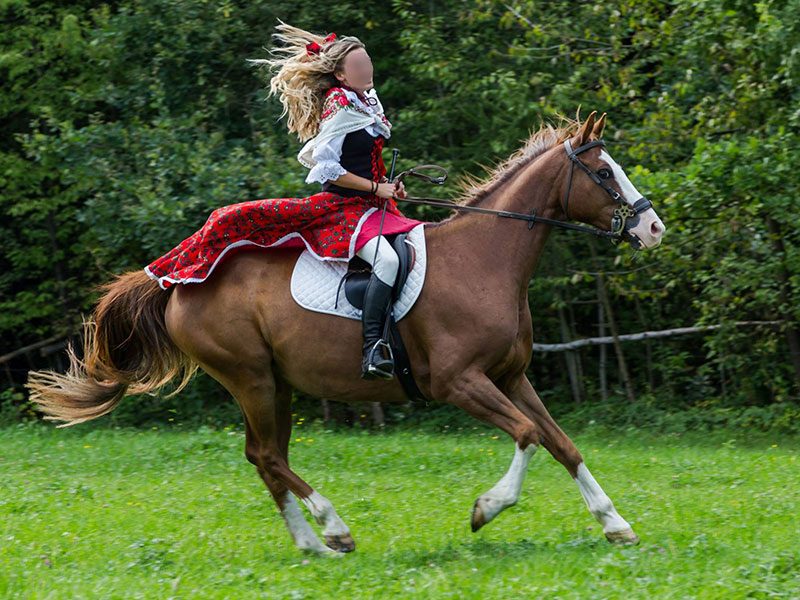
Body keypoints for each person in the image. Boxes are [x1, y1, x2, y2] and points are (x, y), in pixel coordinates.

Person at [144, 20, 423, 381]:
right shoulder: (339, 104)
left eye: (366, 61)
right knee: (385, 261)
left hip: (375, 206)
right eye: (357, 65)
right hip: (344, 211)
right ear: (340, 74)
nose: (366, 69)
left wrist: (387, 185)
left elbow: (363, 158)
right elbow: (327, 170)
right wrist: (374, 189)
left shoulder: (366, 99)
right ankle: (373, 348)